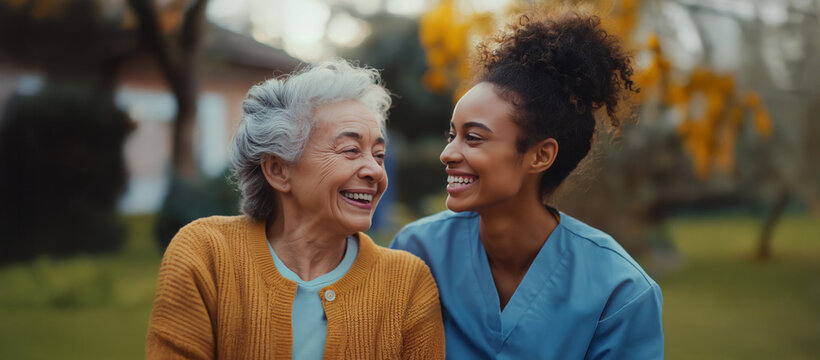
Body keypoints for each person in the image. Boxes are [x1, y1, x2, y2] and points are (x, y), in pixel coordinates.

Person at [390, 12, 664, 359]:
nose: (447, 154)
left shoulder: (621, 293)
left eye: (473, 138)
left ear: (540, 156)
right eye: (451, 135)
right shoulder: (418, 251)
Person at [147, 59, 445, 359]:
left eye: (379, 155)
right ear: (278, 170)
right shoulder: (206, 254)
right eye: (350, 150)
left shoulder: (408, 282)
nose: (374, 171)